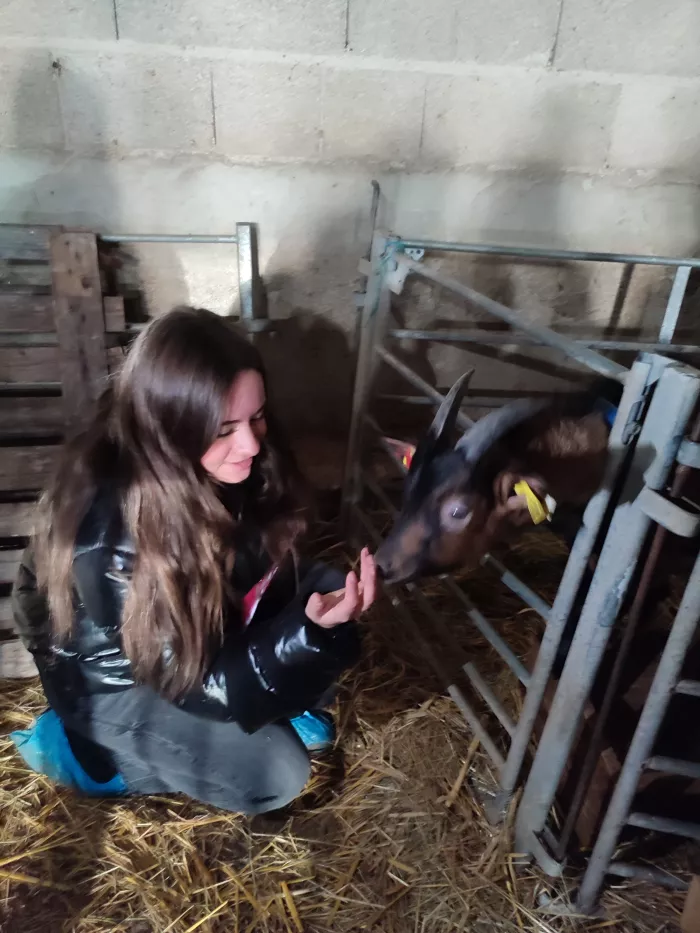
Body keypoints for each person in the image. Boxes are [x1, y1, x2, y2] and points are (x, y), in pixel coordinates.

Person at [12, 306, 376, 814]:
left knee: (324, 592)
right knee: (274, 774)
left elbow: (263, 559)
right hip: (119, 680)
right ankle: (88, 757)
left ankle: (266, 704)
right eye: (223, 428)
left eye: (256, 417)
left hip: (196, 616)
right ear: (170, 426)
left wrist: (306, 627)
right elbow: (193, 682)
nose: (250, 444)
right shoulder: (111, 537)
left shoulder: (222, 457)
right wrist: (300, 637)